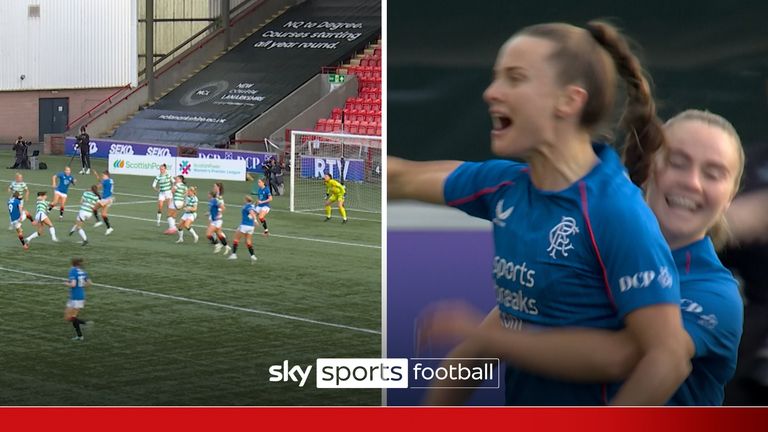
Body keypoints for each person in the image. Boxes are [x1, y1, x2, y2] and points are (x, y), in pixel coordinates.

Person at [388, 21, 690, 405]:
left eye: (515, 78)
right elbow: (401, 178)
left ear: (569, 100)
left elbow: (669, 357)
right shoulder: (506, 187)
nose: (490, 92)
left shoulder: (615, 211)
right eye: (496, 77)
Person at [419, 109, 745, 406]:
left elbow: (649, 358)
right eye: (677, 162)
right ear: (648, 169)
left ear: (730, 196)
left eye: (714, 173)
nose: (692, 182)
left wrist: (490, 337)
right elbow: (478, 351)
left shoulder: (714, 294)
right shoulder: (588, 245)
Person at [65, 257, 91, 341]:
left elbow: (73, 284)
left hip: (74, 297)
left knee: (69, 317)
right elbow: (89, 283)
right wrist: (82, 285)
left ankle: (84, 323)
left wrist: (66, 283)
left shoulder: (73, 271)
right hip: (81, 296)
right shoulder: (83, 272)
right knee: (72, 317)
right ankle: (80, 336)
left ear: (72, 263)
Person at [228, 195, 258, 263]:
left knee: (236, 239)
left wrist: (256, 220)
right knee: (248, 241)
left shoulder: (246, 207)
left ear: (246, 200)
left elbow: (251, 212)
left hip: (244, 226)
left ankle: (234, 254)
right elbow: (253, 209)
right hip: (251, 227)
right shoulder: (252, 206)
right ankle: (253, 256)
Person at [206, 190, 230, 255]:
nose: (207, 195)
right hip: (214, 220)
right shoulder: (211, 201)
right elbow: (213, 210)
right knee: (219, 234)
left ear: (211, 195)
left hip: (217, 221)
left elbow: (223, 207)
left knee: (208, 234)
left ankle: (217, 245)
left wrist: (219, 213)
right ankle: (226, 246)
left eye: (208, 194)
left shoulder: (215, 200)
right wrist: (209, 213)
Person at [91, 169, 114, 235]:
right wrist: (97, 176)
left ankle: (98, 221)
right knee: (103, 214)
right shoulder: (110, 180)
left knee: (94, 208)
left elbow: (98, 186)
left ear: (106, 175)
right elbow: (102, 182)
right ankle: (109, 228)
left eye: (103, 175)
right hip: (109, 199)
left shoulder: (106, 181)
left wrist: (91, 189)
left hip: (105, 200)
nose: (102, 176)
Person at [153, 164, 173, 228]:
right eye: (160, 169)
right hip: (162, 193)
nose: (161, 170)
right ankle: (158, 221)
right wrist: (157, 189)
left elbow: (174, 182)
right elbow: (153, 185)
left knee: (169, 208)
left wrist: (172, 190)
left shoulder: (168, 175)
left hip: (168, 193)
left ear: (165, 169)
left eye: (162, 169)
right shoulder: (158, 176)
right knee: (160, 206)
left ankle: (171, 223)